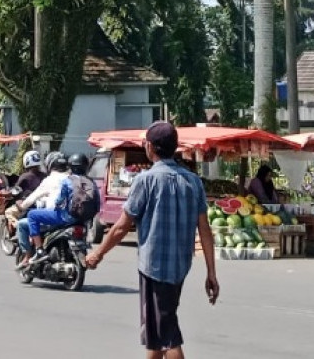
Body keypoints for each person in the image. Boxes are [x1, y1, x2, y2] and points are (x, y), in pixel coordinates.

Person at [85, 121, 219, 359]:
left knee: (168, 337)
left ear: (149, 147)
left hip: (155, 268)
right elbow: (204, 229)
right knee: (156, 335)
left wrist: (98, 254)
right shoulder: (193, 181)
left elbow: (121, 227)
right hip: (179, 266)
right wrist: (211, 272)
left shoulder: (145, 180)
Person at [25, 153, 93, 266]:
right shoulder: (89, 182)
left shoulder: (67, 181)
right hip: (84, 219)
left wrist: (56, 205)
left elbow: (59, 200)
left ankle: (39, 250)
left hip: (65, 217)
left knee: (32, 215)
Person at [14, 152, 70, 268]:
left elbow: (32, 197)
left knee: (25, 221)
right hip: (72, 218)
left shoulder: (49, 179)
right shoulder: (72, 178)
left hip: (55, 218)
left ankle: (34, 253)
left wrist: (22, 206)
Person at [3, 151, 46, 227]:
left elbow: (15, 190)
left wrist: (9, 192)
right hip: (43, 206)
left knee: (8, 212)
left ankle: (18, 228)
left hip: (28, 205)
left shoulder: (25, 176)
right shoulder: (45, 176)